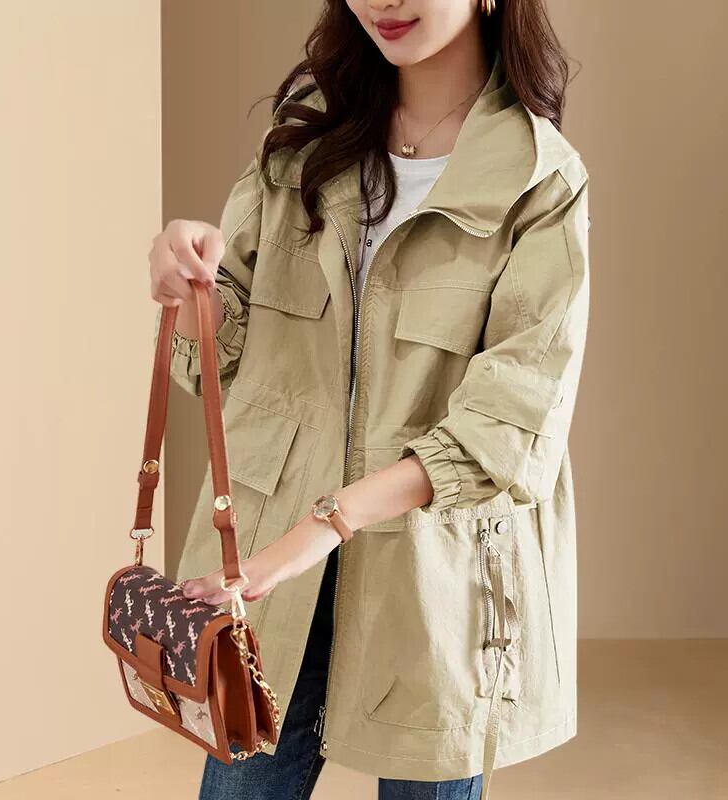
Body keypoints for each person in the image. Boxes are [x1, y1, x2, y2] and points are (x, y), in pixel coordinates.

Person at [149, 1, 590, 798]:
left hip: (435, 582)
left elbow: (508, 425)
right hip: (270, 572)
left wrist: (325, 527)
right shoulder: (303, 149)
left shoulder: (538, 183)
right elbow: (222, 366)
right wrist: (186, 282)